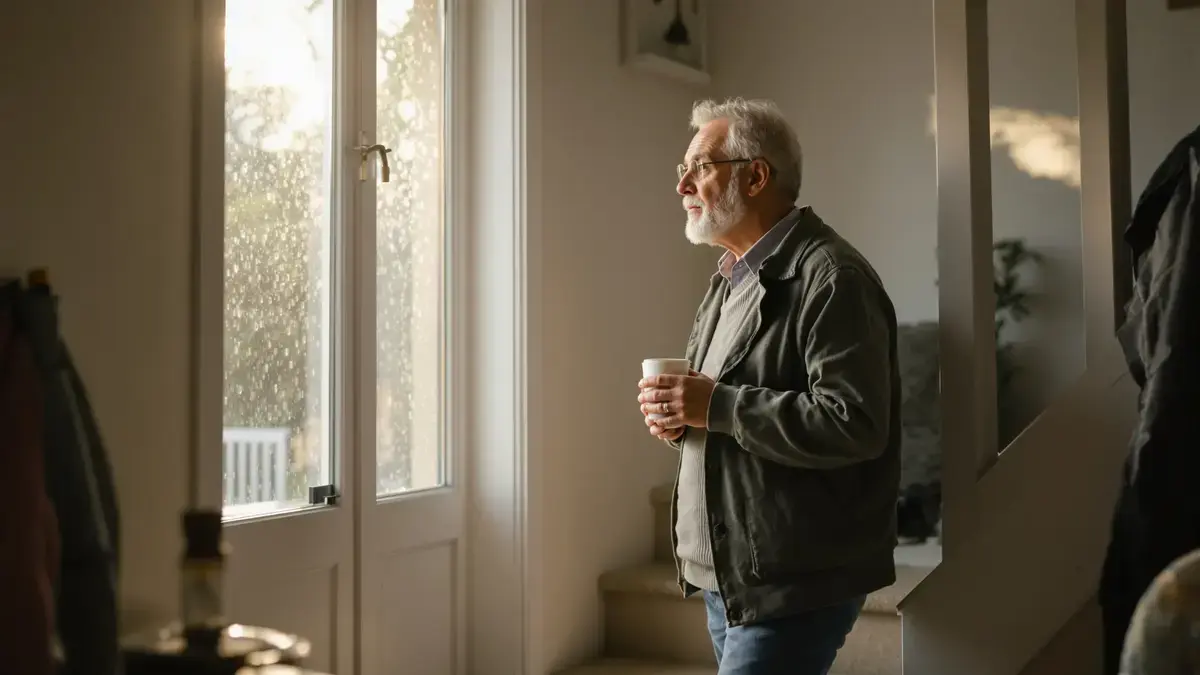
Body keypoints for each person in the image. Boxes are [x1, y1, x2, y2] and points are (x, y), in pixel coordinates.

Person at [636, 98, 901, 675]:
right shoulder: (729, 280)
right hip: (732, 574)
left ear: (756, 176)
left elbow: (854, 424)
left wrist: (718, 405)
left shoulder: (834, 279)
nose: (682, 184)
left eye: (700, 166)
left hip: (792, 579)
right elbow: (724, 410)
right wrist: (683, 419)